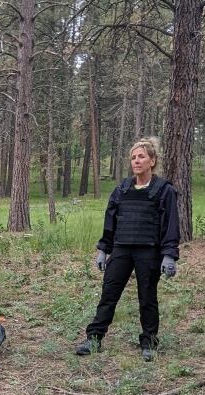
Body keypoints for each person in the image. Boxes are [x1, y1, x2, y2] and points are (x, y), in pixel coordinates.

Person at [75, 138, 180, 361]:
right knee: (109, 294)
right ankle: (94, 338)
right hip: (122, 248)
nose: (136, 161)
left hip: (148, 250)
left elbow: (170, 224)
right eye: (133, 157)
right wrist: (104, 249)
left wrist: (169, 256)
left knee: (147, 297)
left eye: (141, 156)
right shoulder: (122, 189)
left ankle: (149, 342)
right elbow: (110, 221)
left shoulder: (164, 190)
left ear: (152, 161)